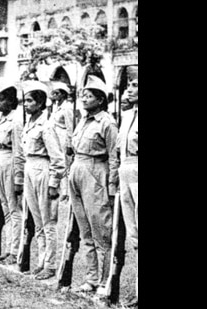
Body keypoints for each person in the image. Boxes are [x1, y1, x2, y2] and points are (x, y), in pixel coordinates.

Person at [68, 75, 119, 294]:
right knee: (84, 230)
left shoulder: (107, 122)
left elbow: (113, 155)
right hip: (77, 168)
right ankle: (90, 277)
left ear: (100, 100)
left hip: (96, 170)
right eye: (83, 95)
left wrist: (111, 186)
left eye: (89, 96)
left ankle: (104, 281)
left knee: (101, 229)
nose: (84, 99)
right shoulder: (82, 120)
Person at [18, 81, 65, 280]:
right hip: (30, 166)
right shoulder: (29, 124)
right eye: (25, 101)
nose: (26, 104)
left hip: (43, 168)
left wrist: (54, 182)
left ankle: (51, 264)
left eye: (30, 101)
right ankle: (41, 260)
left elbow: (57, 157)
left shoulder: (47, 125)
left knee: (48, 220)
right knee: (36, 219)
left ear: (39, 104)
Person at [0, 78, 24, 265]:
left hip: (10, 161)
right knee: (4, 206)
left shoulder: (16, 120)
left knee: (13, 207)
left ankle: (15, 250)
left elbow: (19, 150)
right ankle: (9, 248)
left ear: (11, 100)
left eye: (2, 99)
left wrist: (18, 176)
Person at [116, 75, 138, 308]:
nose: (129, 90)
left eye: (135, 86)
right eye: (129, 85)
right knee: (134, 235)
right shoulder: (128, 115)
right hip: (126, 171)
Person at [49, 82, 81, 202]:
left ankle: (66, 191)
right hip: (54, 137)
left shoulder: (67, 107)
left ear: (63, 94)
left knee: (65, 163)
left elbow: (70, 127)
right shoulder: (56, 107)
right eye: (54, 93)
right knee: (57, 162)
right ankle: (60, 188)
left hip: (63, 137)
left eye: (57, 93)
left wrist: (69, 144)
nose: (55, 95)